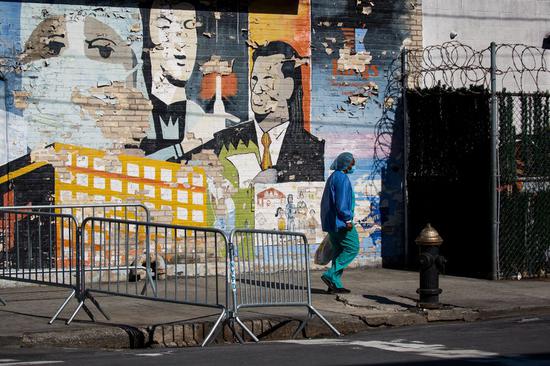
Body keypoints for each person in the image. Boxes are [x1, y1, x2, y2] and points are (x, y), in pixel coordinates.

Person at [184, 41, 324, 184]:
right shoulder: (227, 140)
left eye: (268, 79)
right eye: (254, 79)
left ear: (288, 87)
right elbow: (176, 167)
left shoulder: (312, 149)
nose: (256, 89)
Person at [320, 152, 360, 294]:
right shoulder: (342, 178)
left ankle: (334, 284)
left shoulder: (333, 177)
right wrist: (347, 219)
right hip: (341, 222)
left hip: (332, 223)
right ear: (346, 164)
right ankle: (330, 275)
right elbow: (341, 203)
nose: (353, 166)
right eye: (351, 164)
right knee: (352, 247)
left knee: (338, 250)